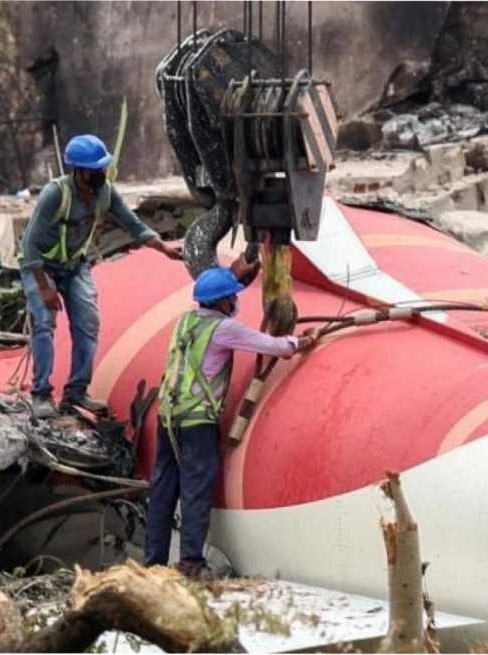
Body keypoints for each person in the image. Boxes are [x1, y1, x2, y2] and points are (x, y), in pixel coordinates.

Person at [145, 265, 316, 579]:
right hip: (198, 423)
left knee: (163, 490)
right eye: (233, 296)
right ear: (223, 302)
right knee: (195, 491)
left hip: (168, 416)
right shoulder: (223, 328)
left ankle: (153, 563)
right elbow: (272, 345)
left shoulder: (185, 322)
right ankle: (191, 563)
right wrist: (300, 342)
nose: (235, 301)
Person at [20, 134, 183, 419]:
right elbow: (29, 243)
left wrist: (163, 248)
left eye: (102, 168)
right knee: (44, 324)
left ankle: (76, 392)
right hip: (41, 267)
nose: (101, 174)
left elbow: (133, 225)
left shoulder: (105, 192)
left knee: (88, 324)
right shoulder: (55, 194)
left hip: (74, 266)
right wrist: (45, 288)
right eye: (95, 170)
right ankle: (41, 394)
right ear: (78, 171)